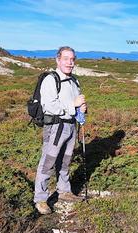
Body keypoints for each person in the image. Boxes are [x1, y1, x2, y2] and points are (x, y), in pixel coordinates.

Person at [34, 46, 87, 215]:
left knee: (65, 160)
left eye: (72, 59)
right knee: (48, 162)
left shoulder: (74, 81)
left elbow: (75, 103)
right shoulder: (51, 79)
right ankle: (40, 199)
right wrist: (74, 105)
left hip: (71, 125)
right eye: (66, 59)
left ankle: (64, 191)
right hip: (56, 127)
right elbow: (49, 106)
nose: (70, 63)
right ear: (58, 60)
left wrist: (82, 109)